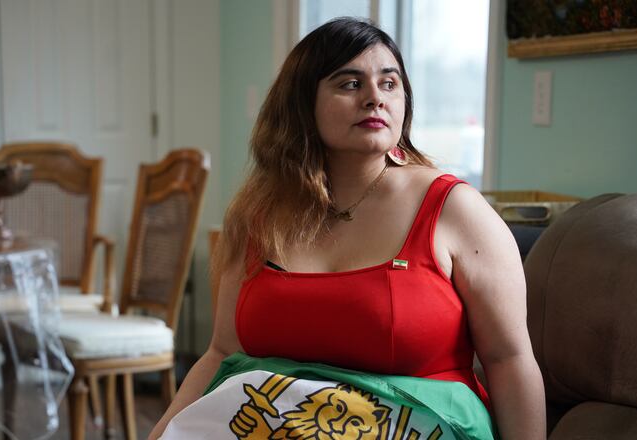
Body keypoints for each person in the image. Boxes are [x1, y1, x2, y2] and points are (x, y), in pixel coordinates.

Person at [149, 17, 545, 439]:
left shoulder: (454, 208)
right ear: (303, 104)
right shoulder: (257, 215)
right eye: (350, 84)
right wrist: (160, 432)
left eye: (390, 84)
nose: (375, 97)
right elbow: (221, 352)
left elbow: (508, 358)